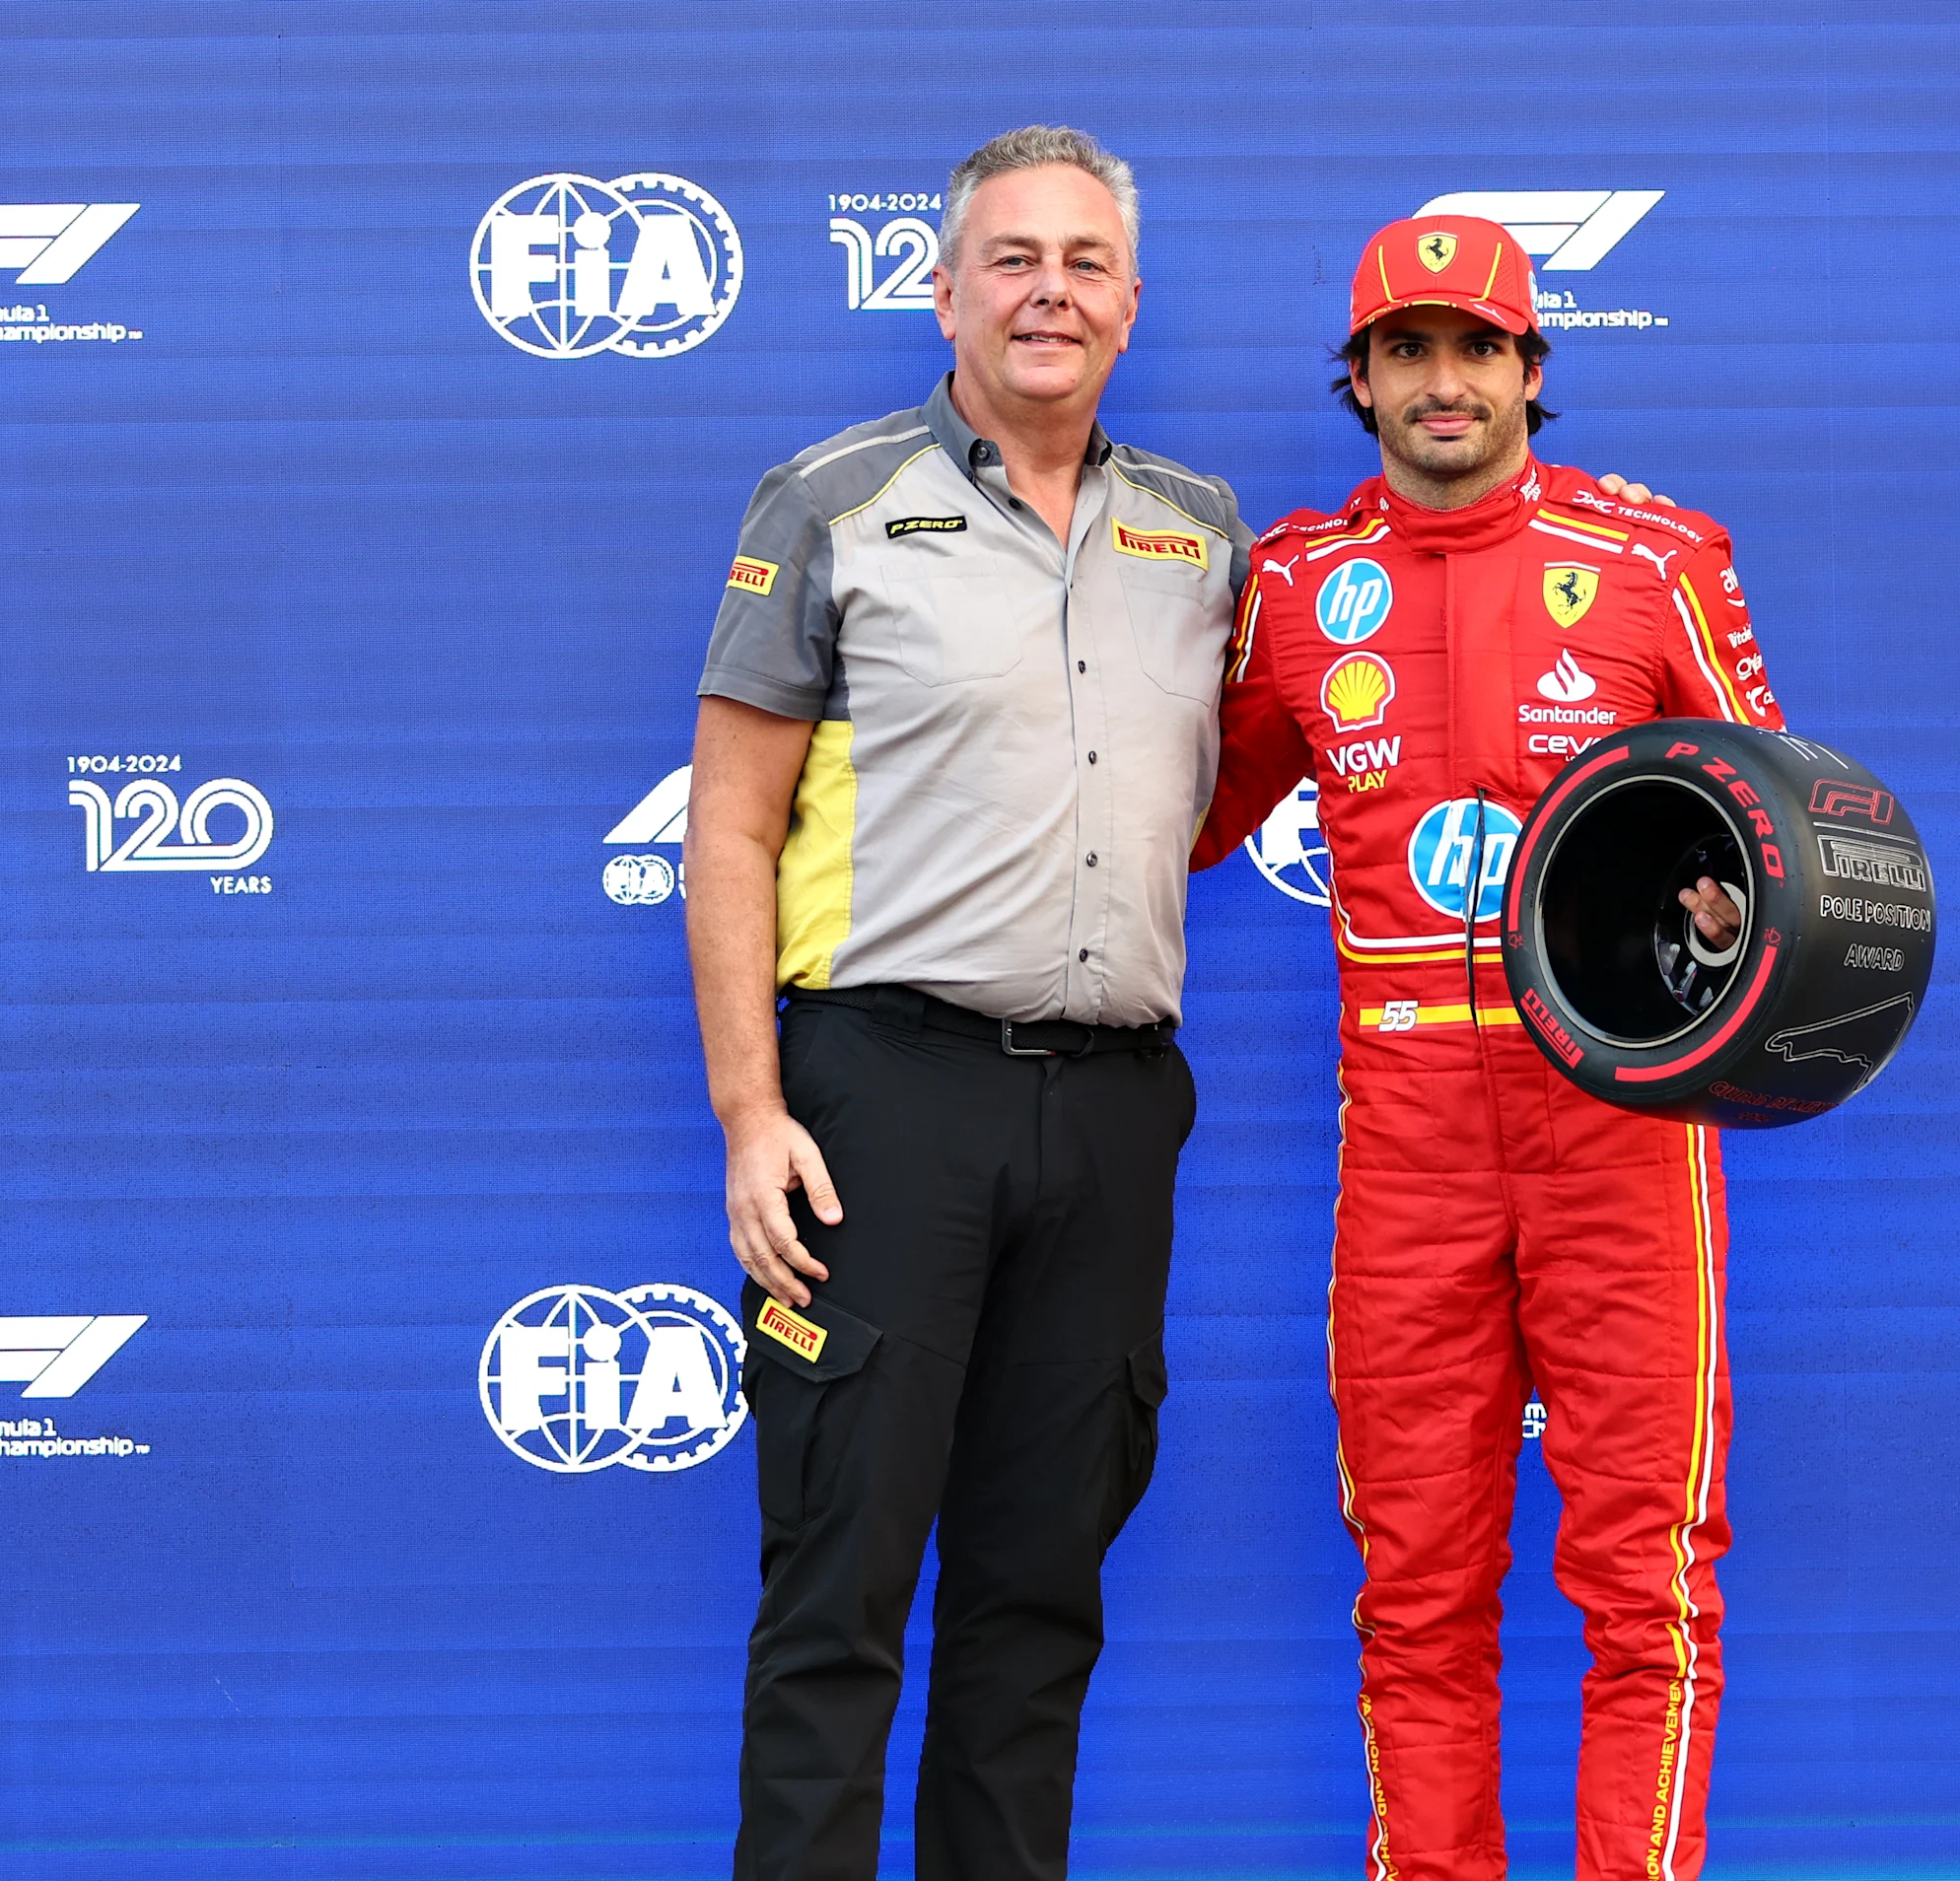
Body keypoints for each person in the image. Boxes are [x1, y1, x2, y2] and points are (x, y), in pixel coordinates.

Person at [1189, 213, 1787, 1881]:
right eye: (1408, 352)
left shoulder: (1660, 558)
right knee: (1419, 1587)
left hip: (1620, 1126)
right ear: (1361, 382)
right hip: (1410, 1146)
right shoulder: (1300, 587)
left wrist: (1734, 919)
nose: (1444, 384)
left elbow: (1782, 838)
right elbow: (1183, 816)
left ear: (1533, 370)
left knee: (1646, 1582)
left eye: (1478, 349)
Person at [684, 126, 1246, 1881]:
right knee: (838, 1598)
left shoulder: (1203, 536)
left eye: (1085, 262)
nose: (1049, 293)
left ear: (1133, 306)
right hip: (882, 1103)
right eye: (1013, 258)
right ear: (944, 290)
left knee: (1035, 1616)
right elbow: (730, 820)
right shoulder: (832, 501)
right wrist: (750, 1112)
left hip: (1112, 1110)